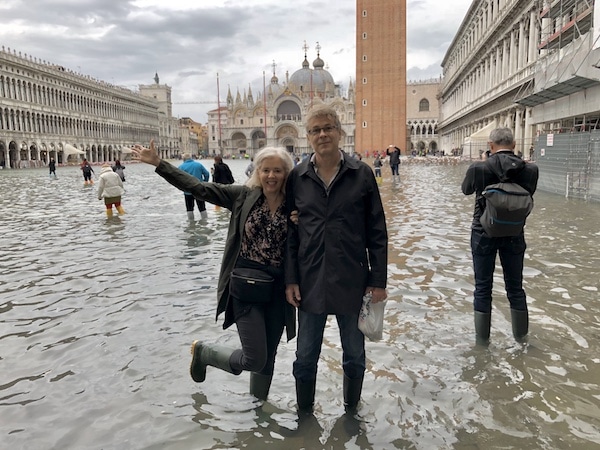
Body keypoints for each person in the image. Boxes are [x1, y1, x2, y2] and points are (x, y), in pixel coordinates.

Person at [131, 141, 296, 401]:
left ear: (287, 173)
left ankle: (257, 412)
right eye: (266, 170)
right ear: (257, 171)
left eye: (277, 170)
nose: (271, 176)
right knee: (254, 358)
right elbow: (199, 188)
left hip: (278, 289)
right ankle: (206, 353)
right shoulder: (243, 195)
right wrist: (159, 164)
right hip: (245, 285)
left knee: (269, 356)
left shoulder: (296, 204)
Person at [284, 104, 388, 413]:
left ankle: (351, 413)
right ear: (308, 136)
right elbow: (290, 233)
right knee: (304, 357)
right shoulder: (297, 176)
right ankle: (304, 418)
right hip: (309, 279)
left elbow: (377, 232)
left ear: (340, 132)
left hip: (352, 280)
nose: (322, 134)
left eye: (328, 128)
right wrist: (290, 279)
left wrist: (378, 281)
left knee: (354, 355)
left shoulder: (363, 174)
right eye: (315, 130)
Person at [461, 127, 539, 346]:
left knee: (483, 287)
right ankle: (521, 340)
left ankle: (482, 344)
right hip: (515, 232)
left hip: (482, 231)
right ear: (514, 145)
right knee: (515, 287)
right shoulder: (531, 170)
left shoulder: (479, 168)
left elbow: (466, 189)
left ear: (490, 145)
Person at [179, 154, 210, 220]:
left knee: (189, 209)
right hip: (199, 189)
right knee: (202, 207)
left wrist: (182, 186)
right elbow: (206, 174)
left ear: (183, 159)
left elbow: (177, 178)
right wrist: (204, 182)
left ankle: (191, 223)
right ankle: (205, 221)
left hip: (187, 191)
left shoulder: (181, 167)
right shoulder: (198, 165)